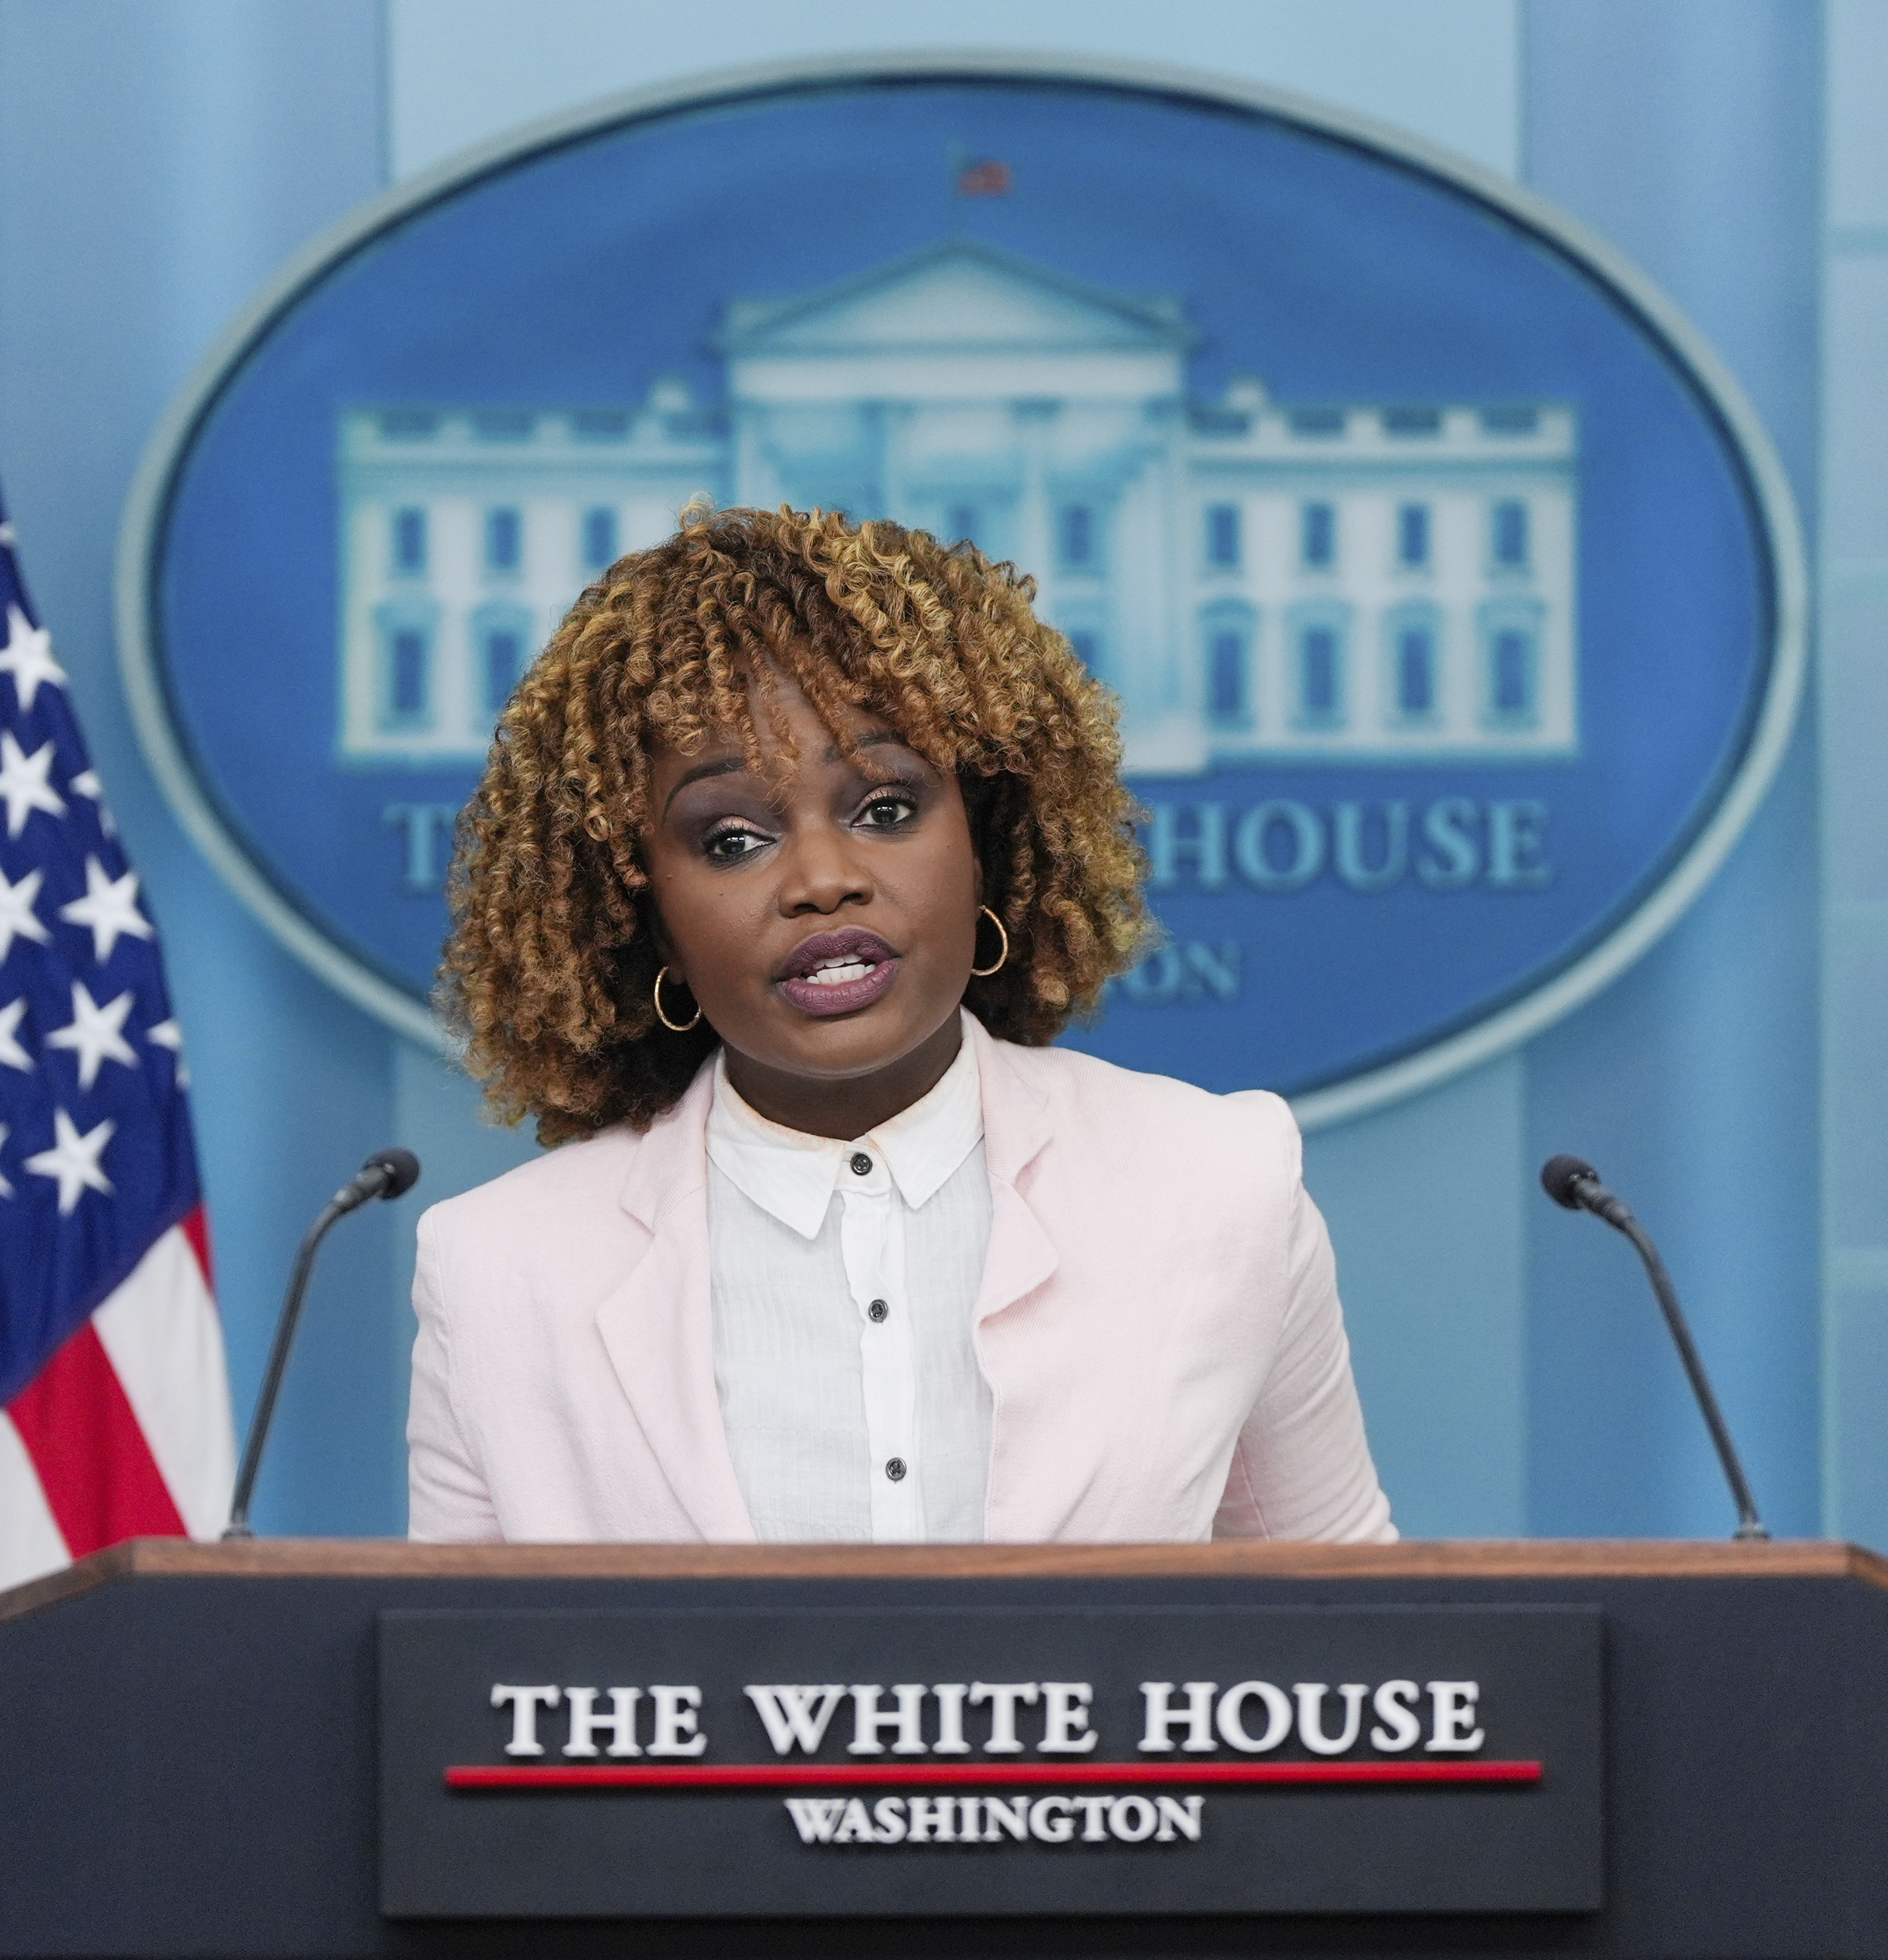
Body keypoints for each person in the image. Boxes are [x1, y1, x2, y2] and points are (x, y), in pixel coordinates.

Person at [407, 505, 1393, 1544]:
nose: (824, 881)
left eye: (885, 808)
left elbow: (1351, 1635)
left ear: (989, 842)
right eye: (733, 838)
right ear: (641, 907)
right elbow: (461, 1691)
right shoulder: (497, 1269)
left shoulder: (1217, 1183)